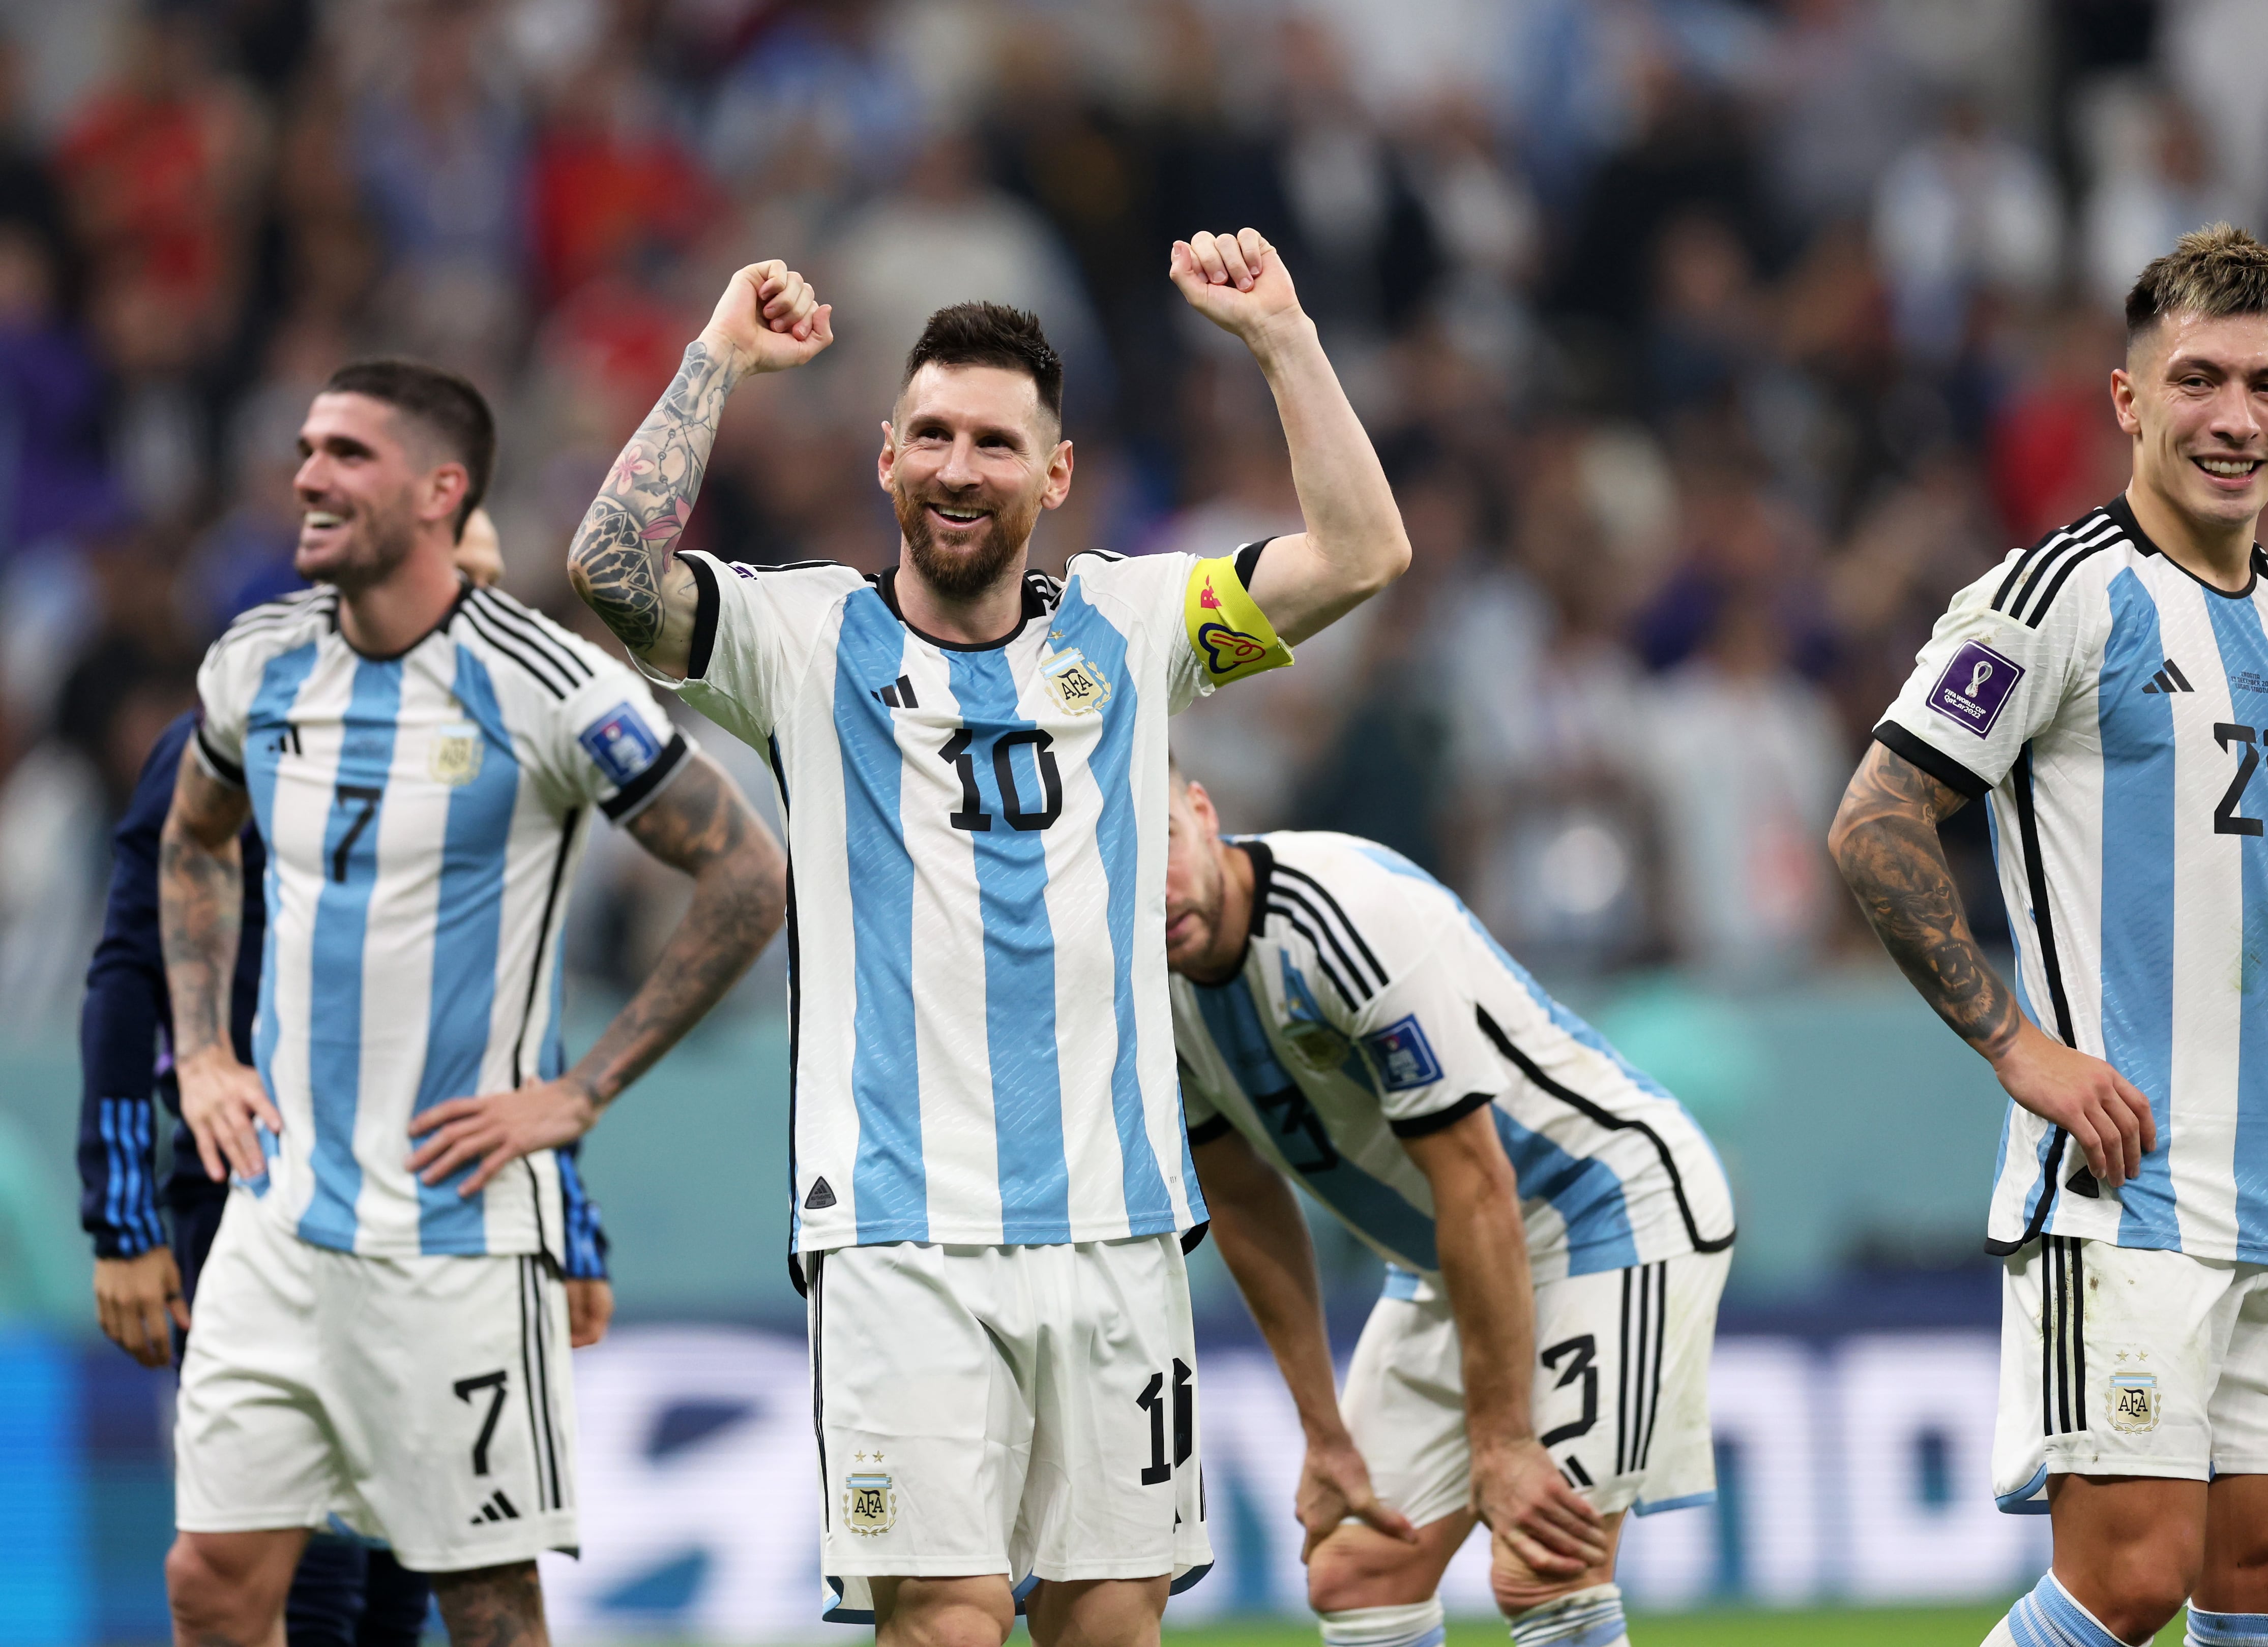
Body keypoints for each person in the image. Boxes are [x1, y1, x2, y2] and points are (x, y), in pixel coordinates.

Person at [560, 236, 1409, 1647]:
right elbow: (606, 565)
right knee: (946, 1625)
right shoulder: (799, 639)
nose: (961, 469)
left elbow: (1367, 553)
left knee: (1110, 1630)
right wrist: (718, 358)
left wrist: (1284, 342)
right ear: (886, 458)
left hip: (1119, 1231)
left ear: (1055, 475)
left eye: (997, 444)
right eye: (935, 437)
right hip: (899, 1236)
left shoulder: (1144, 626)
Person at [1826, 224, 2268, 1647]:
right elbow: (1877, 821)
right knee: (2130, 1580)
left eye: (2267, 385)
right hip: (2121, 1195)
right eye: (2198, 381)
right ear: (2130, 403)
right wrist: (2020, 1049)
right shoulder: (2054, 597)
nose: (2235, 418)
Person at [159, 359, 789, 1647]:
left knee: (487, 1605)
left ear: (444, 491)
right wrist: (205, 1051)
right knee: (211, 1583)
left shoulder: (548, 686)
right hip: (276, 1217)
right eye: (307, 447)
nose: (307, 476)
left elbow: (747, 873)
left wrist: (581, 1090)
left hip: (454, 1234)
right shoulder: (257, 662)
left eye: (347, 455)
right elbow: (190, 841)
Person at [83, 511, 612, 1647]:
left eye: (491, 587)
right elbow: (131, 970)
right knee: (297, 1569)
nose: (475, 614)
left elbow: (512, 1017)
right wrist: (121, 1215)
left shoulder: (501, 762)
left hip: (448, 1209)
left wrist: (567, 1214)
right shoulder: (242, 739)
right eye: (452, 579)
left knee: (415, 1567)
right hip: (269, 1196)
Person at [1161, 760, 1733, 1647]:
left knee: (1545, 1563)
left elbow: (1477, 1178)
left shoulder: (1344, 914)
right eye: (1117, 863)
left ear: (1203, 812)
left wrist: (1503, 1440)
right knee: (1358, 1572)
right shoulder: (1137, 984)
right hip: (1447, 1257)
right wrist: (1324, 1437)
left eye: (1160, 840)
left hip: (1606, 1204)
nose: (1152, 890)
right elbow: (1240, 1200)